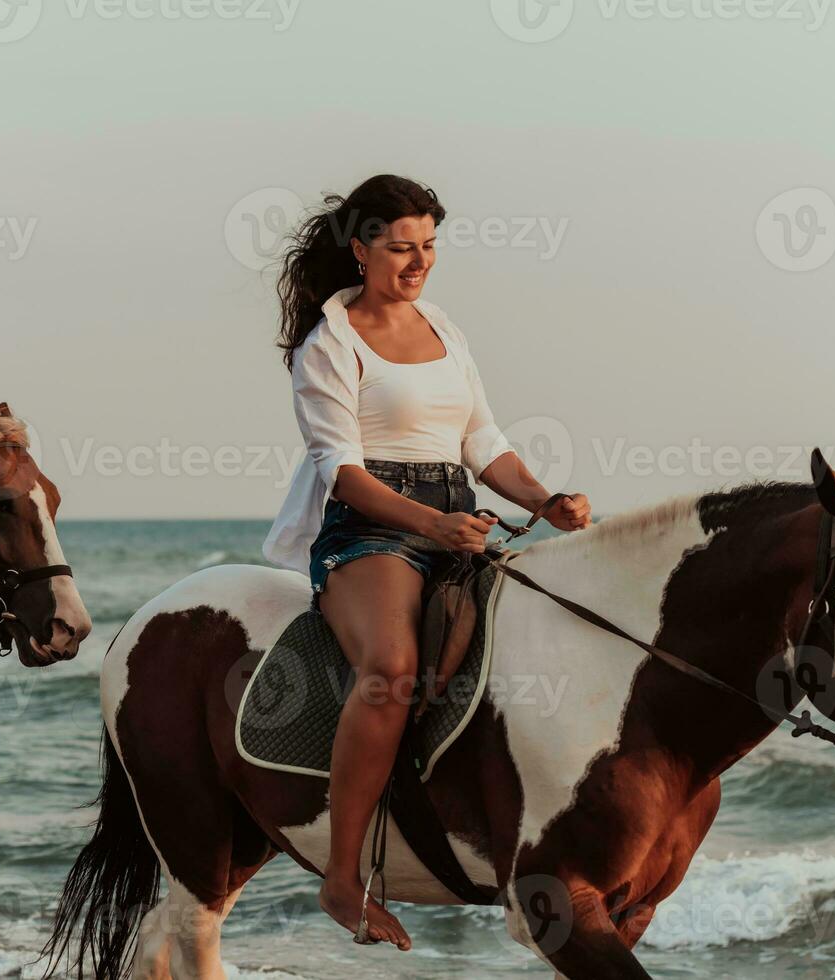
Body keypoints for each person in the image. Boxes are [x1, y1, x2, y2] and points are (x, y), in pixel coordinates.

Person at [262, 176, 592, 949]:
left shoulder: (442, 325)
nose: (419, 263)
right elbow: (343, 471)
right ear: (362, 248)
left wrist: (546, 501)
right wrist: (433, 526)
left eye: (430, 247)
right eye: (403, 247)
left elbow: (482, 441)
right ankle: (343, 879)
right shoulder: (328, 344)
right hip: (370, 530)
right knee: (392, 669)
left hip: (457, 516)